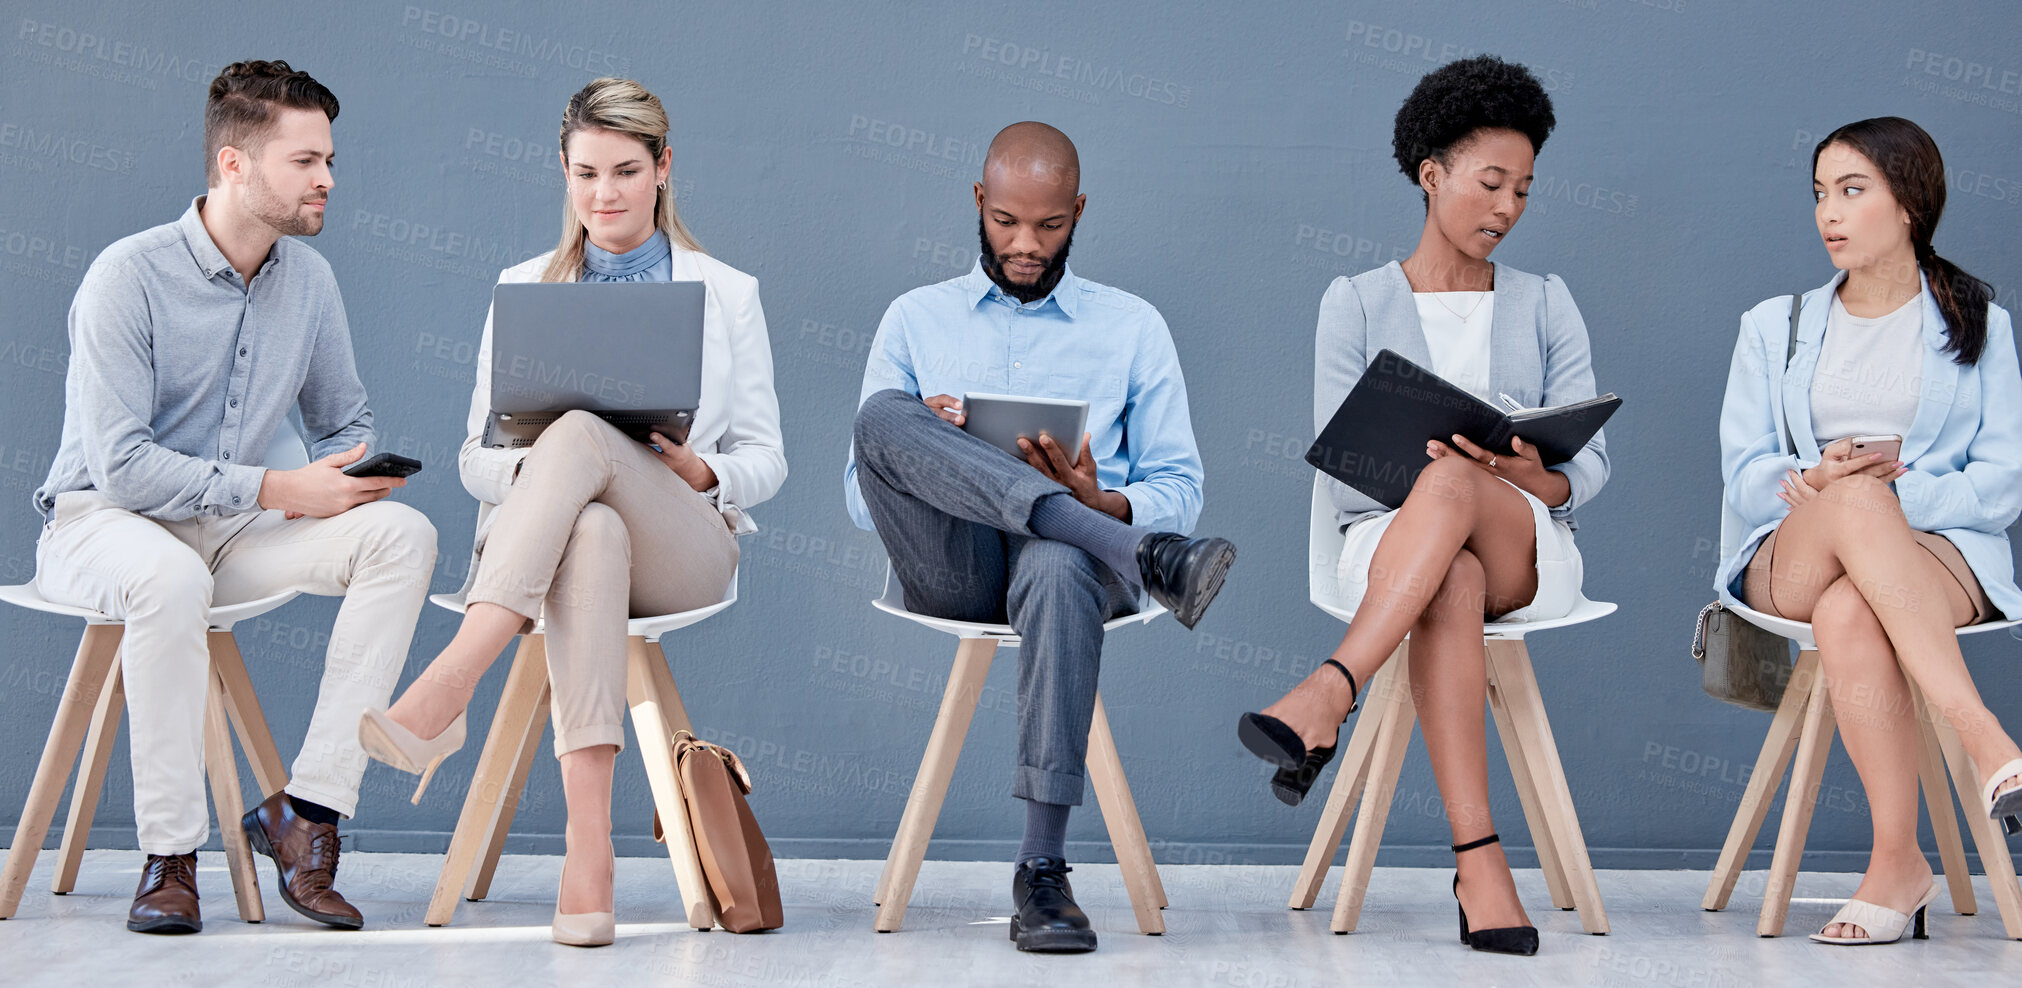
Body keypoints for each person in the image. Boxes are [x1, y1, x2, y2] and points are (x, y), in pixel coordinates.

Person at [359, 77, 785, 947]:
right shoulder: (522, 286)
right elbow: (477, 458)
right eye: (585, 173)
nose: (605, 195)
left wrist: (703, 470)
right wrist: (554, 465)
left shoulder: (727, 291)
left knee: (587, 432)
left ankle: (451, 679)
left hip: (685, 543)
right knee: (588, 525)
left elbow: (770, 461)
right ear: (562, 169)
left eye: (627, 171)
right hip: (559, 544)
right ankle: (587, 854)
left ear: (665, 168)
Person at [29, 60, 437, 935]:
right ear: (233, 166)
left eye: (329, 159)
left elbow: (344, 420)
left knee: (402, 535)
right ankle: (169, 859)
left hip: (232, 529)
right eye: (304, 161)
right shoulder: (125, 277)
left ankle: (307, 816)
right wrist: (278, 484)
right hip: (103, 522)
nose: (326, 178)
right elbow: (125, 466)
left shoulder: (310, 283)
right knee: (169, 582)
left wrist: (346, 476)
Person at [1234, 56, 1608, 957]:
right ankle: (1479, 863)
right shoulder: (1355, 301)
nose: (1507, 207)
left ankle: (1331, 688)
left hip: (1527, 546)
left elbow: (1587, 469)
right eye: (1490, 183)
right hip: (1388, 544)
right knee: (1449, 567)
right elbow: (1341, 463)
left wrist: (1519, 476)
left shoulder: (1547, 302)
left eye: (1522, 189)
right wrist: (1444, 477)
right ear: (1430, 173)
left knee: (1457, 495)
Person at [844, 121, 1235, 954]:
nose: (1026, 245)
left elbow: (1183, 486)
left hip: (1077, 571)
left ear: (1079, 211)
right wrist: (936, 447)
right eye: (1007, 223)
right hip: (952, 563)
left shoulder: (1133, 326)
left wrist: (1106, 500)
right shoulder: (915, 318)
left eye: (1050, 226)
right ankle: (1135, 555)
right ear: (979, 203)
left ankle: (1042, 871)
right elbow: (859, 491)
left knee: (1059, 559)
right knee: (885, 417)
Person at [1716, 116, 2022, 946]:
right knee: (1850, 504)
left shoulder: (1978, 322)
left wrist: (1902, 491)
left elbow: (2001, 487)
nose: (1830, 213)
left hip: (1936, 555)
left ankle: (1897, 862)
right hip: (1792, 552)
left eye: (1852, 191)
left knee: (1854, 607)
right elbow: (1744, 474)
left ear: (1910, 203)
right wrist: (1819, 482)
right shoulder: (1772, 325)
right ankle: (1990, 743)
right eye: (1820, 194)